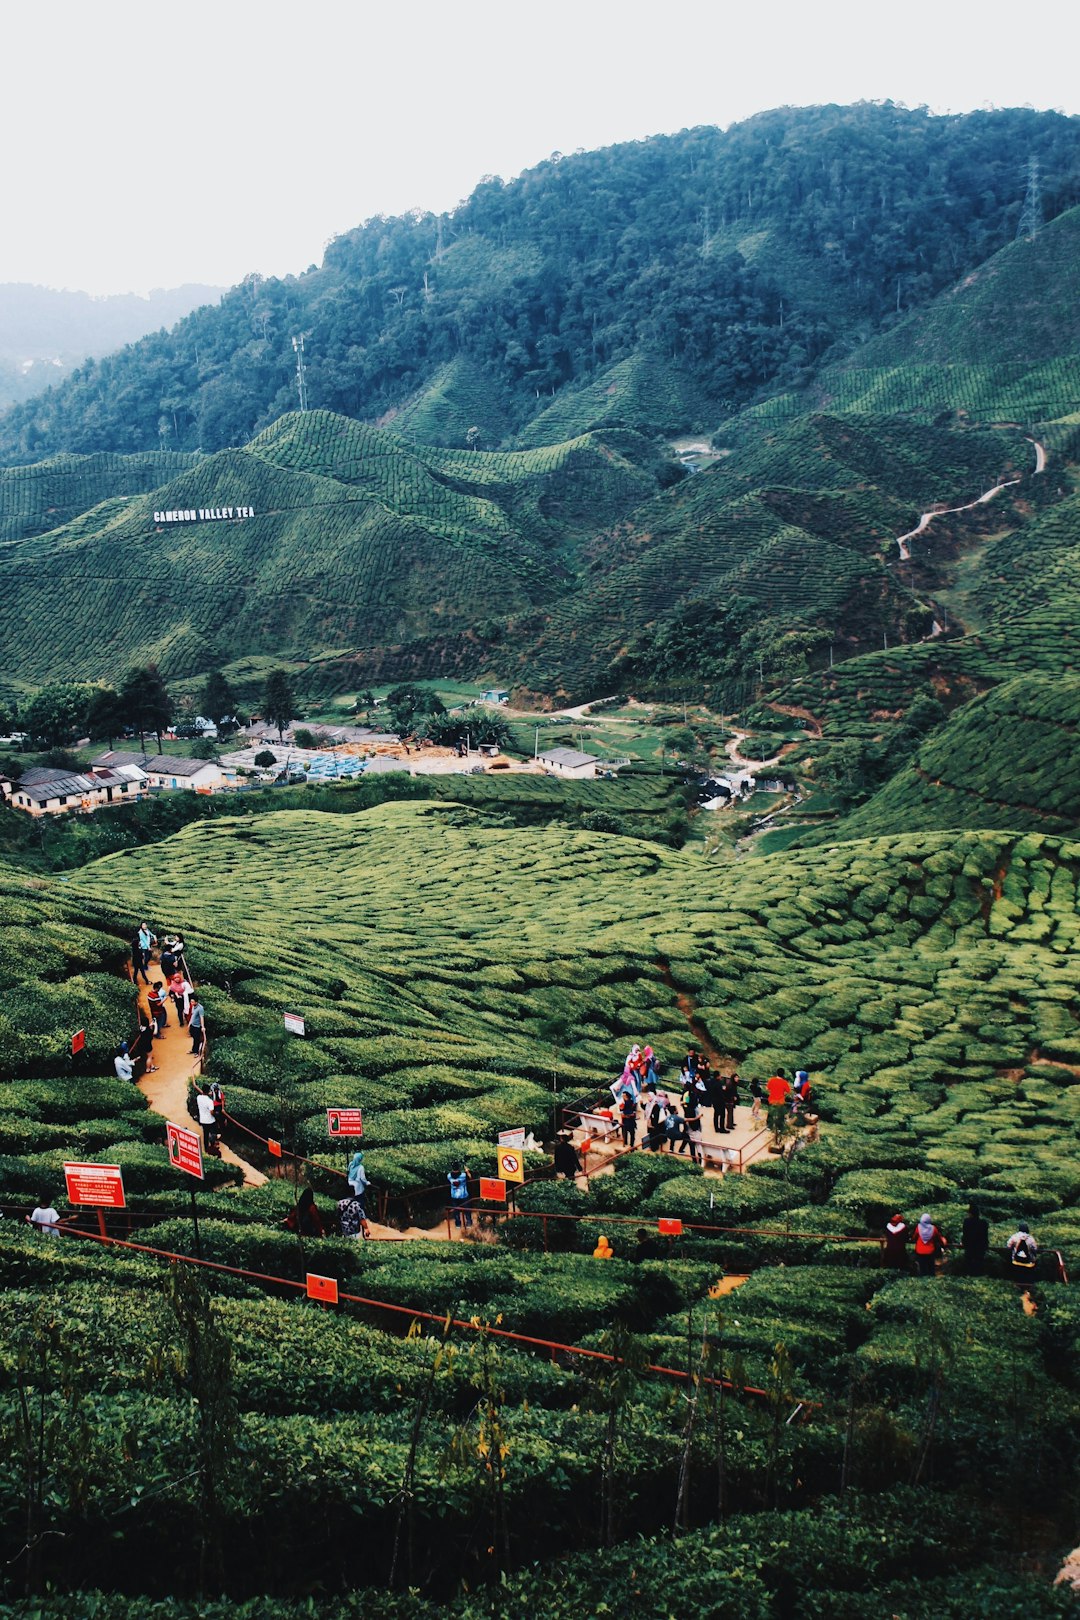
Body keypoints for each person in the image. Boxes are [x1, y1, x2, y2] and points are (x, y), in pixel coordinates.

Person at [913, 1212, 947, 1277]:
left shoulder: (918, 1227)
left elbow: (914, 1237)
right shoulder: (933, 1228)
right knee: (931, 1268)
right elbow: (938, 1238)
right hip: (930, 1251)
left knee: (922, 1269)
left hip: (920, 1251)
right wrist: (943, 1242)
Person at [962, 1203, 990, 1275]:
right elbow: (985, 1235)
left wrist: (964, 1243)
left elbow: (965, 1234)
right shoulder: (983, 1223)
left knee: (969, 1264)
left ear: (970, 1213)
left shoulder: (966, 1222)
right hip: (980, 1247)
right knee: (979, 1264)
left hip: (969, 1246)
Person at [195, 1086, 219, 1153]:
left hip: (202, 1120)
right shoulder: (209, 1101)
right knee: (213, 1133)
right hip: (210, 1121)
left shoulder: (198, 1097)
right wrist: (216, 1115)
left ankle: (206, 1149)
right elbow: (211, 1112)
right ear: (209, 1092)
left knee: (205, 1134)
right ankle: (212, 1146)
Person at [448, 1163, 472, 1228]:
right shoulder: (463, 1175)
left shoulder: (449, 1176)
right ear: (459, 1168)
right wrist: (467, 1171)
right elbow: (470, 1177)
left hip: (454, 1195)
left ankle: (458, 1224)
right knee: (467, 1209)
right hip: (463, 1195)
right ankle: (469, 1223)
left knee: (456, 1210)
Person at [681, 1094, 703, 1164]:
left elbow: (683, 1104)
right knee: (699, 1146)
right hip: (694, 1129)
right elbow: (695, 1121)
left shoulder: (686, 1109)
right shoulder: (693, 1110)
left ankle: (694, 1160)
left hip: (688, 1129)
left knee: (692, 1146)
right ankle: (700, 1160)